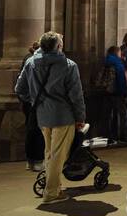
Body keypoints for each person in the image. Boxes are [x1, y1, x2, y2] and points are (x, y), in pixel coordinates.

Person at [15, 32, 86, 204]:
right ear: (58, 46)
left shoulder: (31, 63)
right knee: (58, 156)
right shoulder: (69, 65)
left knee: (49, 153)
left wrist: (35, 101)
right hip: (63, 116)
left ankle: (55, 187)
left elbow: (20, 89)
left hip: (42, 115)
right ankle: (52, 193)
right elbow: (76, 96)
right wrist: (80, 117)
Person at [15, 39, 46, 171]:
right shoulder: (37, 61)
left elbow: (20, 85)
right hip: (38, 101)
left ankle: (30, 160)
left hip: (30, 101)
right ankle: (38, 160)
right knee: (39, 131)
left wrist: (26, 99)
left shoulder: (28, 59)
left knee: (31, 129)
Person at [103, 44, 127, 144]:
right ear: (117, 52)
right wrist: (124, 93)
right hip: (117, 92)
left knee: (110, 115)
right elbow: (121, 80)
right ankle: (122, 137)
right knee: (122, 114)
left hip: (107, 91)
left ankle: (110, 136)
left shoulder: (106, 61)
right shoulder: (118, 63)